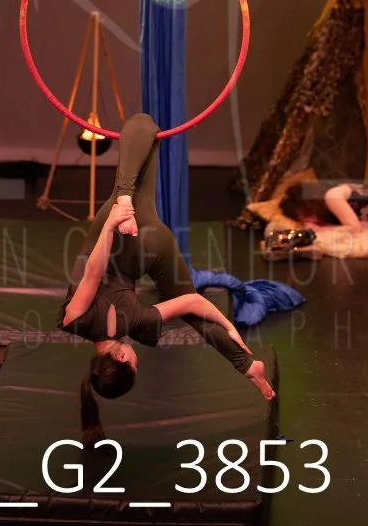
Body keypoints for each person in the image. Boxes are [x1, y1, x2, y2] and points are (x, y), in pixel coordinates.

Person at [57, 112, 275, 447]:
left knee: (148, 141)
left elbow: (192, 302)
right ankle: (124, 196)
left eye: (135, 366)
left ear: (120, 358)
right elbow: (92, 273)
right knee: (141, 125)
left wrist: (227, 325)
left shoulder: (138, 323)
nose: (137, 362)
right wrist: (113, 223)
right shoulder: (75, 321)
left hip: (150, 245)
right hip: (117, 235)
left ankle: (246, 365)